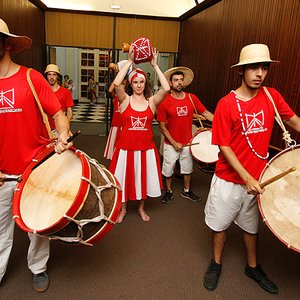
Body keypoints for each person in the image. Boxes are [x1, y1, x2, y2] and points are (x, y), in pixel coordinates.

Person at [203, 43, 300, 294]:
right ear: (241, 71)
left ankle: (252, 267)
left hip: (258, 180)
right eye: (253, 68)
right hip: (229, 179)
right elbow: (223, 145)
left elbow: (292, 120)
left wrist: (251, 178)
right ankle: (215, 263)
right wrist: (244, 176)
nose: (259, 73)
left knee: (250, 227)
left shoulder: (271, 96)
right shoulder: (226, 103)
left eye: (264, 68)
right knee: (220, 225)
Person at [0, 19, 73, 292]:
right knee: (0, 229)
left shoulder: (31, 78)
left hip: (36, 166)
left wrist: (63, 134)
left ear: (7, 43)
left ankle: (38, 267)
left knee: (38, 225)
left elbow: (57, 114)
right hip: (2, 174)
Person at [109, 46, 170, 223]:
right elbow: (117, 84)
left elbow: (166, 88)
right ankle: (123, 210)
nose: (138, 85)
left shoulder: (151, 102)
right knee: (123, 179)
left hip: (146, 149)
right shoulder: (125, 100)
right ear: (131, 84)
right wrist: (129, 62)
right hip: (125, 148)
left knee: (143, 179)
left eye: (142, 82)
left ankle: (142, 208)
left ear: (145, 84)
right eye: (135, 82)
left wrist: (155, 66)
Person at [156, 67, 214, 204]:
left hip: (188, 142)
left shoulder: (191, 98)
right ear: (170, 83)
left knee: (187, 169)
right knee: (168, 169)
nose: (179, 83)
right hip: (171, 143)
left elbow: (206, 113)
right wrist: (174, 142)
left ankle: (186, 191)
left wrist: (221, 123)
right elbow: (162, 127)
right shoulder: (164, 102)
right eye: (176, 80)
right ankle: (169, 191)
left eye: (181, 80)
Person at [45, 64, 74, 131]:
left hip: (60, 128)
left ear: (57, 76)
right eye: (49, 74)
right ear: (46, 76)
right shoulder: (43, 92)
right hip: (46, 128)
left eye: (54, 74)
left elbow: (70, 112)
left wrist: (65, 124)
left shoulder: (65, 92)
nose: (51, 77)